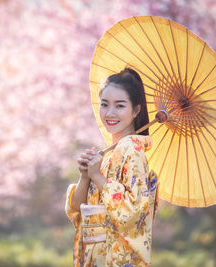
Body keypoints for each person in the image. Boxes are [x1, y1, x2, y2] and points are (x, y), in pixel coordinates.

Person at [65, 68, 159, 267]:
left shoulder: (131, 149)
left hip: (116, 259)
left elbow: (132, 212)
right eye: (105, 104)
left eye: (120, 106)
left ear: (136, 110)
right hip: (97, 257)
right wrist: (85, 176)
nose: (110, 113)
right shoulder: (108, 154)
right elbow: (77, 209)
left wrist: (97, 177)